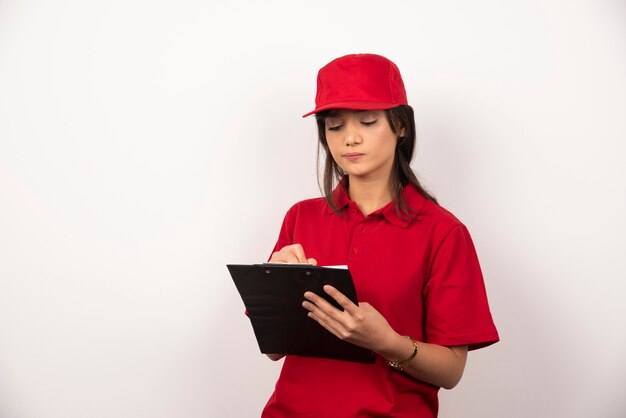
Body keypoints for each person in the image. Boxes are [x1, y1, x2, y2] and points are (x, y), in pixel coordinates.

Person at [261, 53, 499, 417]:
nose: (350, 138)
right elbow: (274, 350)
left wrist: (387, 343)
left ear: (400, 126)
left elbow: (451, 371)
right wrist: (275, 287)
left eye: (368, 121)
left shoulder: (443, 232)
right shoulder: (301, 217)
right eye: (335, 126)